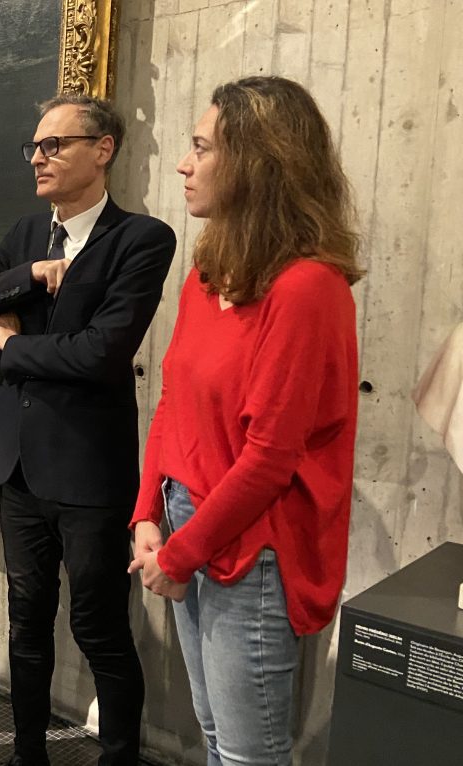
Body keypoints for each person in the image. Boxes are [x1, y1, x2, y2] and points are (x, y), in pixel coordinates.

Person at [128, 76, 363, 766]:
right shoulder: (210, 270)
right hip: (187, 520)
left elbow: (268, 457)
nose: (184, 163)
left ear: (257, 163)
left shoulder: (308, 289)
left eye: (201, 147)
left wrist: (177, 552)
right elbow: (172, 402)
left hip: (251, 546)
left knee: (248, 753)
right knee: (214, 732)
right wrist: (148, 513)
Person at [0, 94, 176, 766]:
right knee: (26, 622)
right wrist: (27, 274)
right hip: (18, 468)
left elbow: (101, 354)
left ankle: (119, 758)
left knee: (99, 627)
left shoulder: (140, 239)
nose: (38, 158)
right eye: (34, 147)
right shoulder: (24, 236)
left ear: (102, 149)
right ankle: (26, 755)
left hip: (89, 473)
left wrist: (12, 349)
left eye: (55, 145)